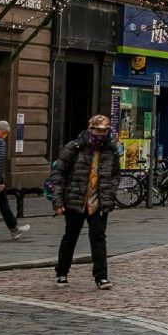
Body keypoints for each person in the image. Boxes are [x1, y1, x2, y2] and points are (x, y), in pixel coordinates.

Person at [50, 115, 122, 289]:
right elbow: (58, 174)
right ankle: (62, 271)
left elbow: (115, 174)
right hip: (75, 199)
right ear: (90, 129)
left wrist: (110, 193)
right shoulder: (74, 147)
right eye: (98, 130)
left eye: (104, 131)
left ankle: (101, 277)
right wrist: (58, 202)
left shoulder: (110, 150)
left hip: (98, 201)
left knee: (98, 237)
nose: (101, 134)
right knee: (71, 236)